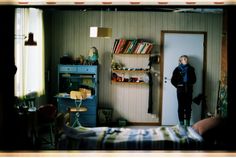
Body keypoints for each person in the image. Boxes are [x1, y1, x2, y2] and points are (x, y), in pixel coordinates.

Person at [171, 55, 196, 126]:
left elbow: (194, 80)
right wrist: (178, 86)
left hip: (189, 90)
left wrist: (189, 84)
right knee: (181, 106)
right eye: (184, 59)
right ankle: (181, 124)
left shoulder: (191, 69)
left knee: (188, 106)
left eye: (186, 59)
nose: (186, 60)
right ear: (180, 61)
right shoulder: (177, 69)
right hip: (180, 90)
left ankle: (187, 124)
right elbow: (173, 80)